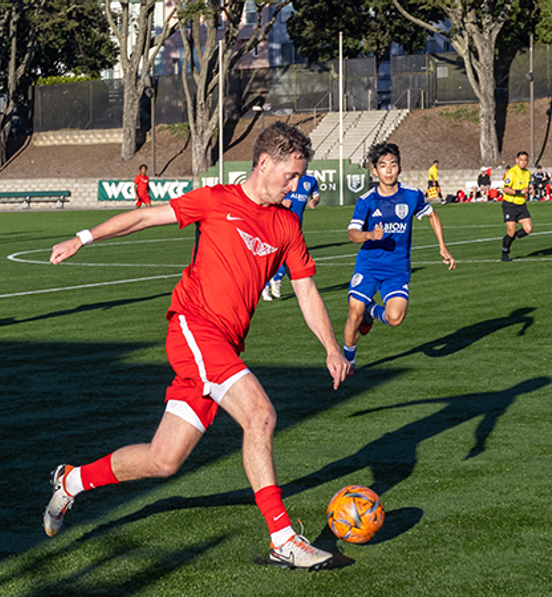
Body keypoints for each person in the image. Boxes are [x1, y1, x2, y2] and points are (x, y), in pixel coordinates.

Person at [43, 122, 350, 570]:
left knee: (162, 460)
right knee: (260, 415)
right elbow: (147, 215)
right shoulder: (218, 200)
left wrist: (330, 347)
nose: (297, 185)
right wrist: (83, 237)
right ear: (263, 164)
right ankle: (283, 538)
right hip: (193, 329)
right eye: (290, 176)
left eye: (300, 177)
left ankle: (71, 481)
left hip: (223, 345)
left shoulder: (286, 224)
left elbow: (306, 290)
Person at [342, 142, 455, 368]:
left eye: (393, 164)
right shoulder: (367, 200)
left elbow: (432, 215)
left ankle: (372, 311)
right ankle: (348, 361)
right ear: (374, 170)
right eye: (383, 166)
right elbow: (352, 234)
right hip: (369, 266)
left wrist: (442, 246)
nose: (389, 170)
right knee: (354, 313)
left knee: (395, 318)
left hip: (397, 269)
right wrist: (370, 235)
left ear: (399, 167)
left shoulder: (411, 195)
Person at [262, 171, 320, 301]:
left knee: (290, 256)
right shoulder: (284, 177)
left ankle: (275, 279)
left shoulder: (311, 180)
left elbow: (316, 196)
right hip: (279, 223)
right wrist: (281, 201)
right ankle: (265, 286)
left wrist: (314, 202)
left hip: (297, 225)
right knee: (276, 255)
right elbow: (267, 195)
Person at [500, 151, 533, 261]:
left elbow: (526, 187)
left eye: (525, 160)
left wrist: (530, 190)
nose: (523, 162)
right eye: (521, 159)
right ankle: (505, 252)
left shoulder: (527, 173)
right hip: (510, 204)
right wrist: (519, 192)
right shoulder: (512, 172)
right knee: (511, 231)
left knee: (528, 229)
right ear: (517, 160)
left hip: (521, 205)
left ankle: (509, 239)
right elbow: (505, 188)